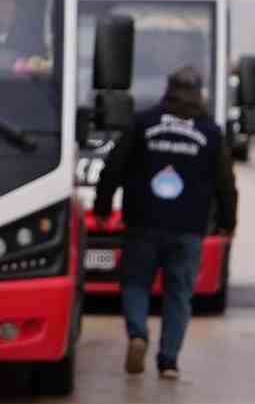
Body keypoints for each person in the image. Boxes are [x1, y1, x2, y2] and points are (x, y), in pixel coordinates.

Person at [94, 64, 237, 379]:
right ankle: (169, 360)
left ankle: (138, 334)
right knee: (178, 294)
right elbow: (225, 182)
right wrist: (228, 220)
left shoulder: (143, 122)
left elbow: (113, 167)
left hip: (143, 221)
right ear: (199, 93)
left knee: (135, 283)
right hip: (189, 227)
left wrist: (102, 206)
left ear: (168, 90)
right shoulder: (210, 132)